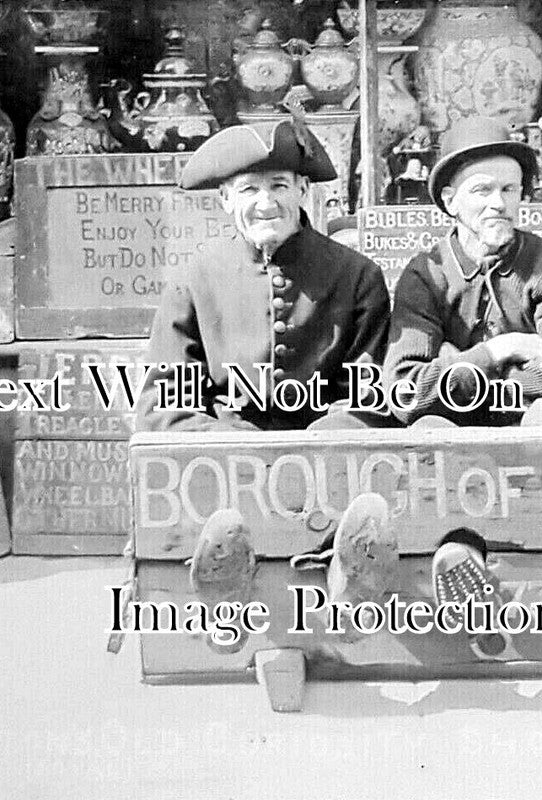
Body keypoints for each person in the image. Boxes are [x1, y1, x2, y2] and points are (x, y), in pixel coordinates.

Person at [131, 117, 396, 652]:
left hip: (328, 462)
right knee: (221, 517)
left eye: (279, 186)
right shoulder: (195, 279)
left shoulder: (356, 276)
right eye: (249, 190)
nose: (266, 203)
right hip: (225, 462)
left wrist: (307, 455)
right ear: (225, 199)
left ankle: (346, 589)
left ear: (303, 191)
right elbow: (165, 403)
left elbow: (370, 395)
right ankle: (227, 598)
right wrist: (239, 453)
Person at [384, 116, 542, 657]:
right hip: (462, 442)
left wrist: (457, 374)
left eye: (510, 190)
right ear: (449, 201)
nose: (499, 204)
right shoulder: (425, 276)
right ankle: (464, 571)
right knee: (432, 432)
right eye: (482, 190)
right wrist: (498, 351)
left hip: (540, 439)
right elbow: (405, 391)